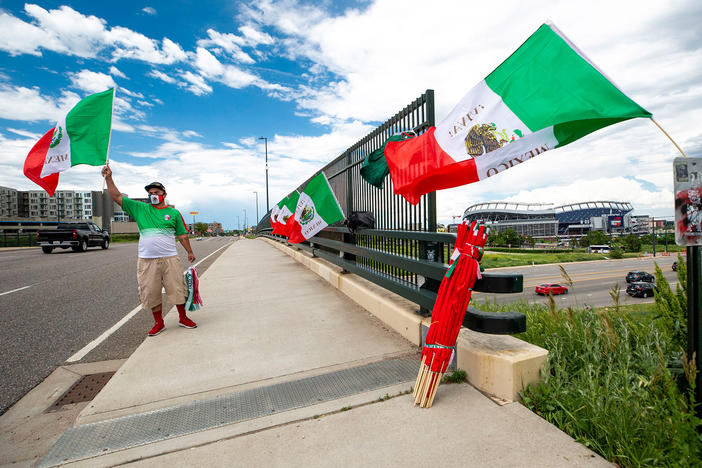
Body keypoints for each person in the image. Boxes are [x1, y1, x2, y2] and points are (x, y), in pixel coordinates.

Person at [101, 165, 198, 336]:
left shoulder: (173, 213)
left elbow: (182, 235)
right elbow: (116, 196)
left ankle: (183, 318)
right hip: (147, 260)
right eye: (151, 193)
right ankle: (159, 323)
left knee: (177, 290)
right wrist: (109, 177)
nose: (153, 195)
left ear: (164, 195)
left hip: (170, 258)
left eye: (157, 192)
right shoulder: (140, 208)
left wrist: (189, 252)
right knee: (150, 292)